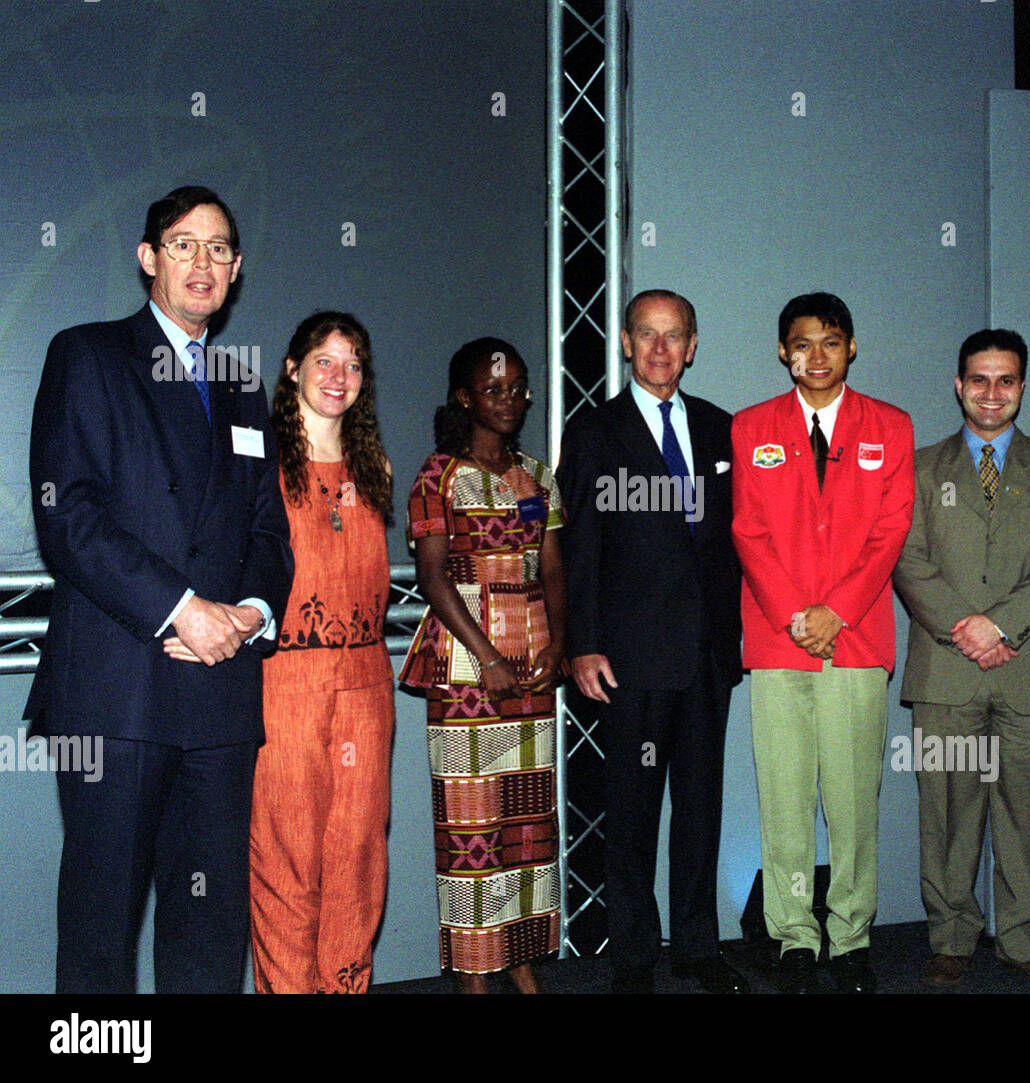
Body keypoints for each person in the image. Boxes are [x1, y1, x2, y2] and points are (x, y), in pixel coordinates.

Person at [26, 185, 293, 993]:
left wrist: (246, 614)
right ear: (148, 259)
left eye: (219, 248)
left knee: (210, 927)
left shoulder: (245, 386)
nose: (202, 263)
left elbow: (269, 533)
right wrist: (184, 608)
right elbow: (67, 515)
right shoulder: (89, 354)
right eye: (183, 244)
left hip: (219, 693)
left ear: (237, 268)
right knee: (103, 926)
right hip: (120, 691)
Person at [169, 312, 394, 992]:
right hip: (284, 683)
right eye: (323, 360)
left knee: (357, 859)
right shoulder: (255, 458)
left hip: (366, 686)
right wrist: (200, 622)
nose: (338, 376)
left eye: (352, 363)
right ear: (291, 368)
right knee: (287, 862)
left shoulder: (374, 466)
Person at [557, 289, 747, 995]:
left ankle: (698, 946)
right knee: (632, 809)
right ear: (626, 344)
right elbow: (577, 547)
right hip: (629, 660)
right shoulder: (593, 432)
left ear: (692, 345)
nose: (661, 349)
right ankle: (633, 954)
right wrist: (582, 643)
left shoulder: (720, 428)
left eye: (675, 336)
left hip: (705, 658)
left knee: (701, 807)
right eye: (647, 335)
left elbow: (732, 545)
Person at [893, 329, 1030, 988]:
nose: (991, 393)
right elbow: (908, 558)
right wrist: (964, 628)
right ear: (958, 384)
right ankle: (951, 933)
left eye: (1006, 380)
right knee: (945, 809)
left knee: (1029, 812)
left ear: (1023, 387)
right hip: (946, 669)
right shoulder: (919, 468)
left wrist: (1002, 625)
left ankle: (1024, 937)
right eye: (979, 379)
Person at [731, 291, 913, 994]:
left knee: (852, 797)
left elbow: (890, 528)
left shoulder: (889, 426)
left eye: (830, 342)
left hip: (857, 639)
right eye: (802, 343)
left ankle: (851, 935)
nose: (816, 356)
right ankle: (794, 935)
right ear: (783, 351)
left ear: (852, 347)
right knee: (783, 797)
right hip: (779, 643)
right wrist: (792, 614)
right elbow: (747, 528)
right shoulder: (752, 427)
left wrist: (835, 611)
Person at [401, 338, 564, 994]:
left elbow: (552, 566)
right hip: (468, 669)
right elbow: (434, 579)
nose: (510, 400)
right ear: (465, 396)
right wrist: (487, 655)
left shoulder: (536, 474)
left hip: (531, 666)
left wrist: (555, 643)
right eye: (494, 389)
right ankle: (475, 974)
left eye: (519, 387)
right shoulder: (436, 474)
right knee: (472, 826)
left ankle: (520, 960)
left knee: (526, 824)